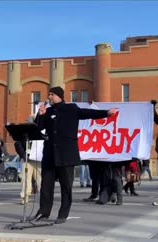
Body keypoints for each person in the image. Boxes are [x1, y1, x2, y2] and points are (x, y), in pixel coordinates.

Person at [32, 86, 118, 224]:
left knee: (66, 186)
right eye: (49, 94)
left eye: (51, 94)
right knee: (46, 186)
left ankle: (63, 213)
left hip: (66, 154)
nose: (49, 97)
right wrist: (40, 115)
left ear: (59, 95)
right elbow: (38, 127)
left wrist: (107, 113)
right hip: (49, 155)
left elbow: (88, 113)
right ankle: (43, 212)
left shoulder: (71, 108)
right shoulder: (47, 111)